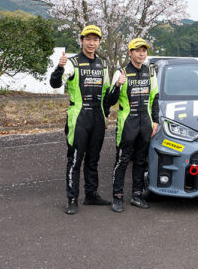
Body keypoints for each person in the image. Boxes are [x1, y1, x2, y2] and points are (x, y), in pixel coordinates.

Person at [49, 25, 111, 215]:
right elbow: (55, 84)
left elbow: (106, 93)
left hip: (98, 117)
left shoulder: (103, 64)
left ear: (99, 42)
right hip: (79, 117)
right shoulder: (72, 62)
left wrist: (106, 115)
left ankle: (91, 195)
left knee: (93, 159)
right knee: (75, 159)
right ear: (81, 40)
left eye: (95, 39)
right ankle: (72, 199)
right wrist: (59, 68)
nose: (92, 43)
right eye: (88, 39)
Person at [108, 38, 160, 212]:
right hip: (127, 123)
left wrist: (155, 121)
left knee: (140, 161)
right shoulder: (121, 72)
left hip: (145, 122)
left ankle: (136, 196)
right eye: (137, 50)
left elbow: (155, 98)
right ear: (130, 53)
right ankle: (117, 197)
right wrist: (117, 85)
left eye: (144, 50)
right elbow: (110, 100)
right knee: (122, 160)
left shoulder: (150, 72)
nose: (141, 53)